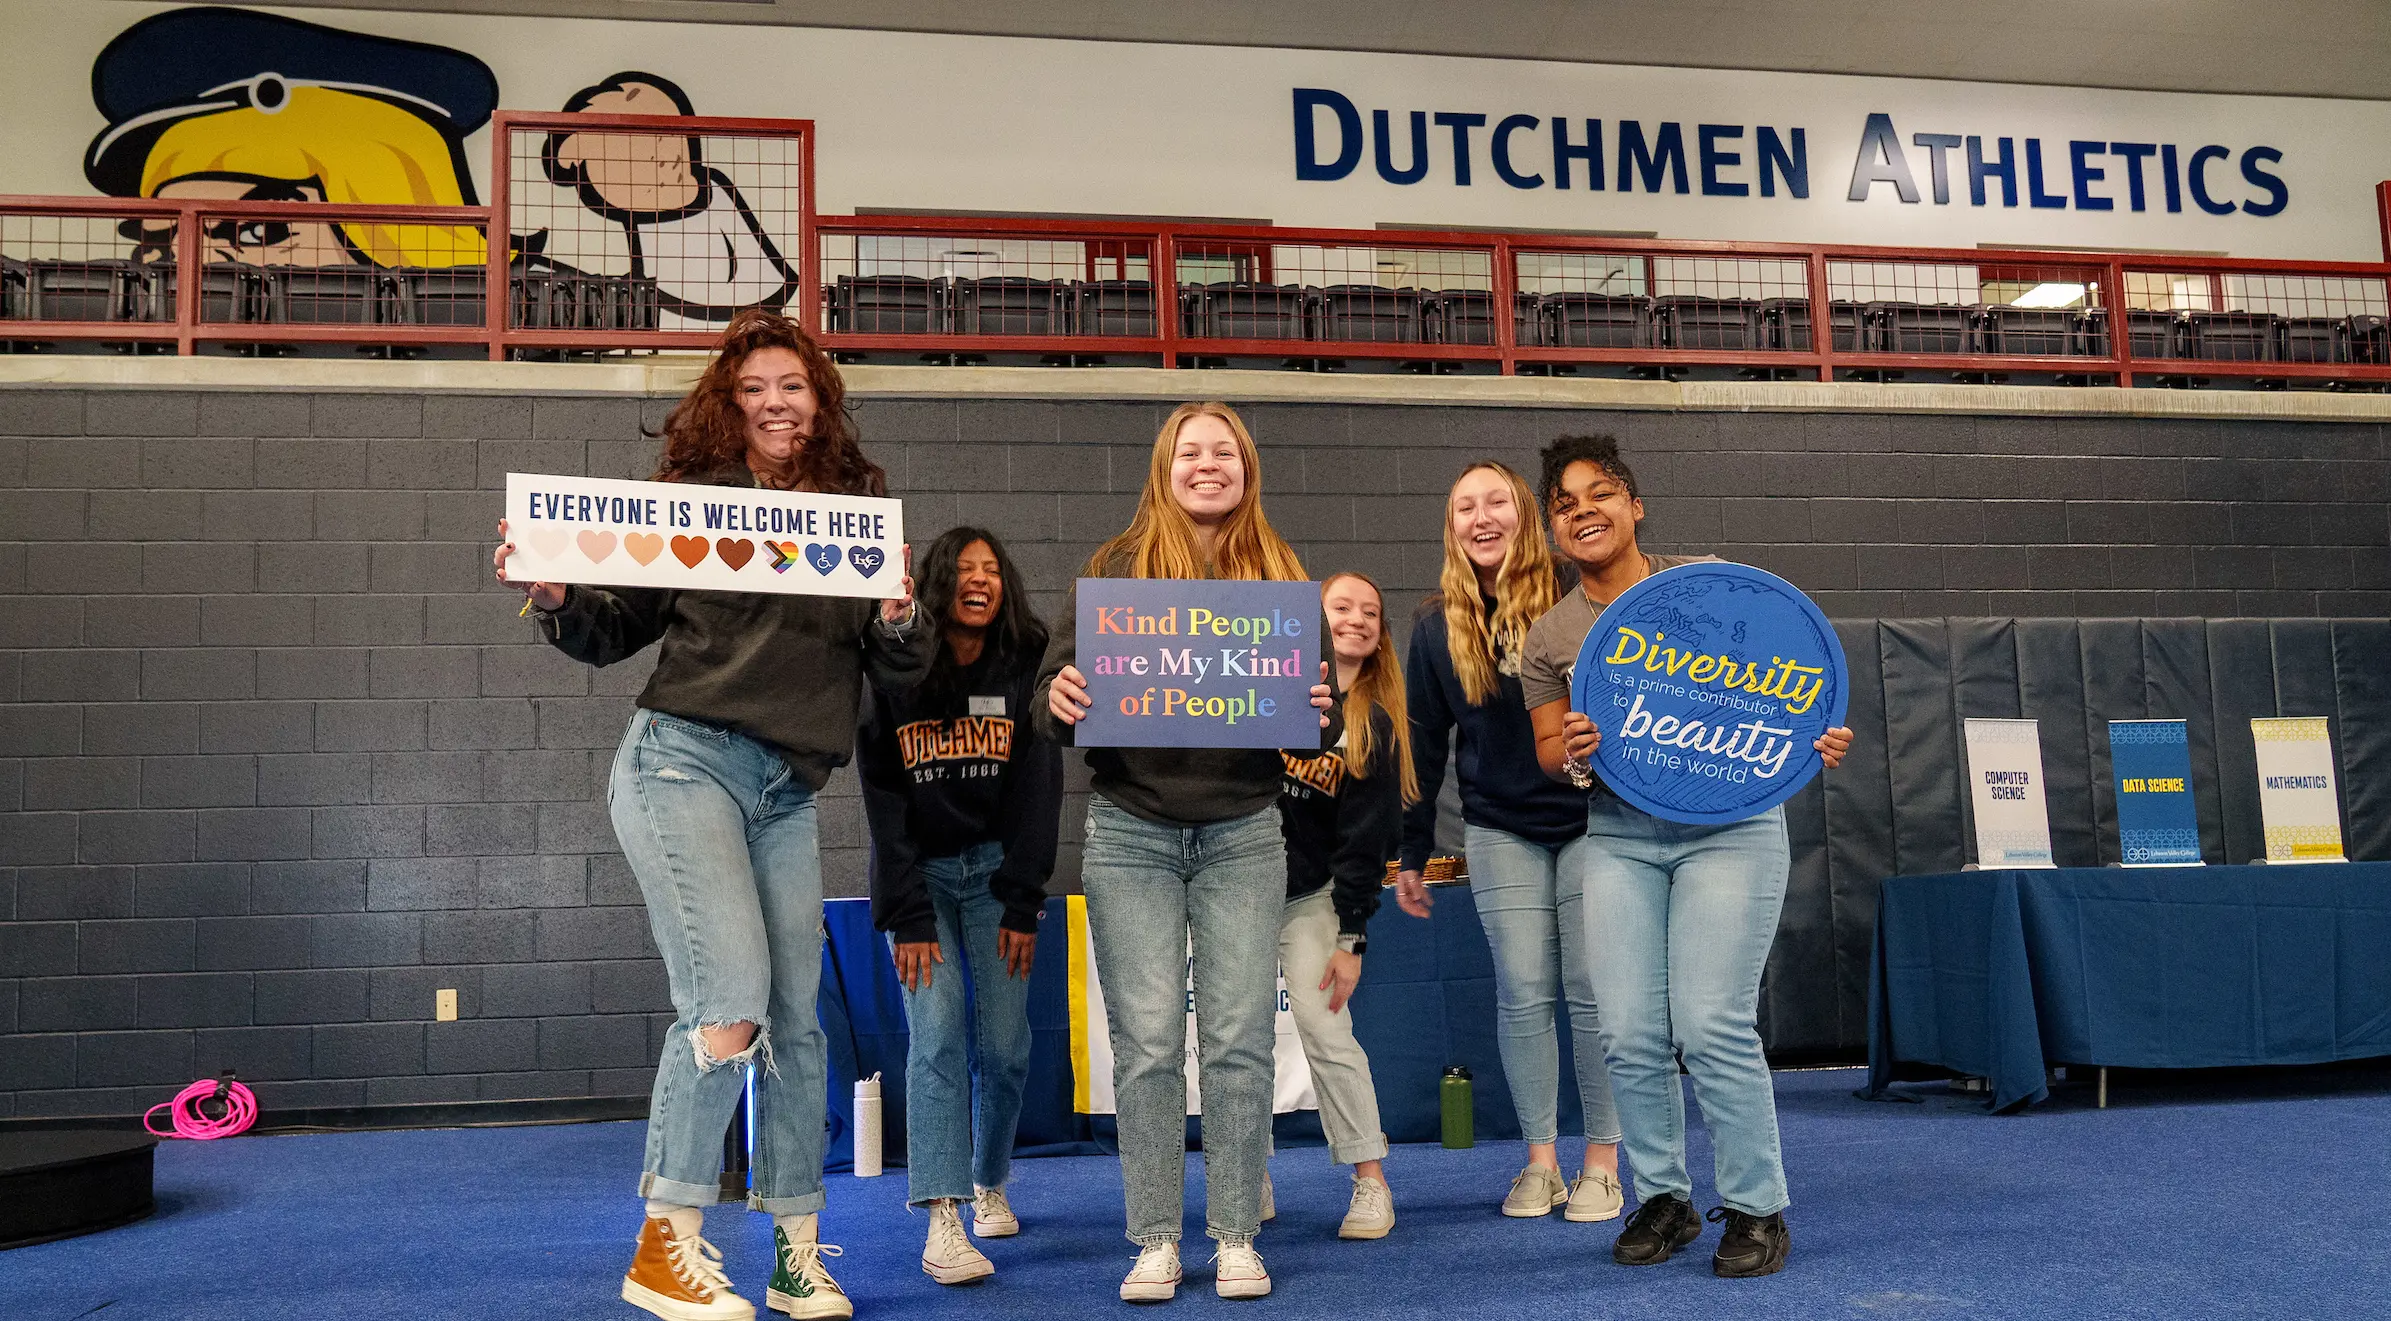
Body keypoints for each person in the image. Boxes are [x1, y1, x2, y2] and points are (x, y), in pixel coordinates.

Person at [496, 309, 925, 1321]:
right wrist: (555, 591)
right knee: (727, 998)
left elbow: (894, 678)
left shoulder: (856, 513)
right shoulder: (692, 506)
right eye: (754, 389)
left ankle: (794, 1251)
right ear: (727, 408)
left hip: (786, 791)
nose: (777, 402)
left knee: (794, 1024)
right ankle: (666, 1245)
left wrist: (901, 618)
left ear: (820, 402)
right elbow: (608, 633)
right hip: (682, 764)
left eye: (794, 385)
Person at [1517, 434, 1852, 1281]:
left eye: (1600, 494)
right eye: (1564, 504)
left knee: (1708, 1022)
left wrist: (1815, 737)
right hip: (1621, 837)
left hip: (1728, 832)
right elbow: (1549, 752)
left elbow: (1789, 687)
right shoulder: (1550, 635)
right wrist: (1577, 751)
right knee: (1627, 1030)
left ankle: (1754, 1206)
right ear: (1554, 533)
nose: (1582, 511)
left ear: (1634, 505)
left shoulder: (1708, 583)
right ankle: (1662, 1196)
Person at [1037, 401, 1337, 1304]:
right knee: (1148, 1045)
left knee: (1243, 1039)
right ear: (1163, 468)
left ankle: (1238, 1235)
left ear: (1247, 469)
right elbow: (1045, 700)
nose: (1208, 465)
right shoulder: (1112, 574)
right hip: (1130, 830)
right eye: (1190, 452)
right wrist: (1057, 693)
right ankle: (1157, 1239)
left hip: (1245, 831)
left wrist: (1319, 714)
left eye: (1225, 453)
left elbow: (1317, 725)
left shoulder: (1284, 579)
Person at [1391, 462, 1623, 1224]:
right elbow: (1423, 744)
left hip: (1593, 817)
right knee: (1523, 990)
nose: (1480, 516)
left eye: (1496, 501)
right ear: (1451, 525)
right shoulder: (1434, 625)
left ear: (1524, 516)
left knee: (1590, 989)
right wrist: (1412, 850)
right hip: (1499, 828)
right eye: (1464, 506)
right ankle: (1540, 1161)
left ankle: (1602, 1160)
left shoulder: (1574, 596)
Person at [858, 526, 1061, 1287]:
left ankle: (987, 1180)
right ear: (940, 583)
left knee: (1006, 1048)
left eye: (993, 570)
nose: (981, 580)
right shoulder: (895, 669)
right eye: (965, 570)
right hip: (921, 882)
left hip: (994, 879)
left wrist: (1020, 898)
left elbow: (1039, 789)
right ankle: (942, 1218)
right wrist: (906, 910)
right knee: (937, 1034)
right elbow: (880, 797)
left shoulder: (1025, 661)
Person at [1273, 571, 1415, 1241]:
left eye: (1370, 610)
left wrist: (1350, 935)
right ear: (1311, 620)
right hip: (1236, 890)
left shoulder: (1373, 724)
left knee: (1327, 1030)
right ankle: (1247, 1176)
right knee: (1230, 1039)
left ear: (1380, 633)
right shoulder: (1269, 695)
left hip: (1313, 896)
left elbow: (1365, 845)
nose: (1355, 618)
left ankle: (1369, 1181)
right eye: (1340, 606)